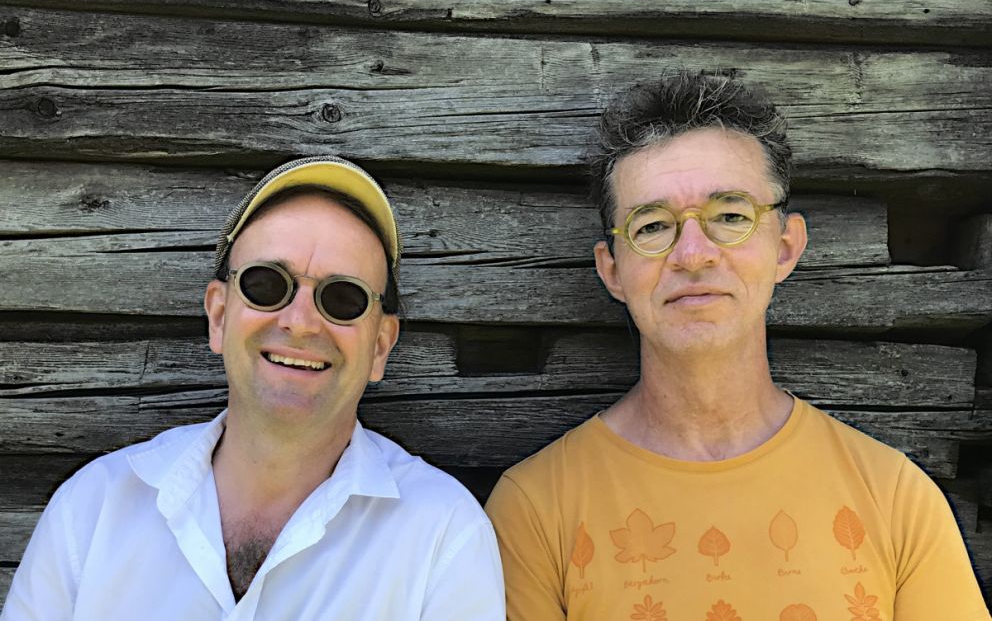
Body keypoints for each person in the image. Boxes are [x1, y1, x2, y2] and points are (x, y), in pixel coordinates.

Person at [485, 72, 990, 620]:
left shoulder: (896, 498)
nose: (693, 254)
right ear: (612, 270)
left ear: (786, 247)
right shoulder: (535, 510)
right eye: (652, 226)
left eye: (731, 216)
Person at [2, 155, 505, 620]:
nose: (300, 322)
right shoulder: (91, 509)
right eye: (267, 284)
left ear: (379, 346)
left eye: (343, 298)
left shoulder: (443, 537)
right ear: (219, 315)